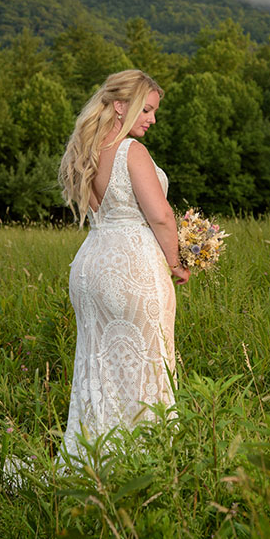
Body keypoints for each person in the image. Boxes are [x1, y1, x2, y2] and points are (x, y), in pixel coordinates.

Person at [58, 69, 190, 459]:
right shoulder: (132, 152)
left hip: (90, 267)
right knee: (150, 362)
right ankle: (148, 457)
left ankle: (96, 455)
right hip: (133, 266)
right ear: (120, 106)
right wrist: (178, 262)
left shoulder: (87, 150)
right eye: (146, 110)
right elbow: (161, 216)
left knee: (98, 365)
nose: (151, 119)